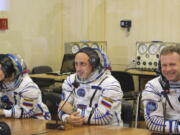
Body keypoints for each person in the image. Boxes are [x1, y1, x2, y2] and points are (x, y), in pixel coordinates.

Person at [58, 47, 123, 126]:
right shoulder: (70, 80)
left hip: (108, 130)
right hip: (79, 129)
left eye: (82, 64)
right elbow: (62, 107)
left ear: (94, 65)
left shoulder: (110, 84)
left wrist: (73, 111)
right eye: (76, 64)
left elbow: (103, 117)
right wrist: (67, 118)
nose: (78, 69)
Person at [142, 46, 180, 134]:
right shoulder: (153, 87)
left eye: (172, 64)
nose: (168, 69)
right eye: (164, 65)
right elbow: (153, 123)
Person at [0, 54, 51, 120]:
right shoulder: (4, 83)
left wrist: (3, 112)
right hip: (14, 119)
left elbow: (25, 112)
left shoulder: (28, 87)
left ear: (9, 71)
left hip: (36, 120)